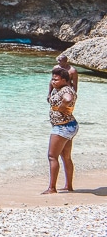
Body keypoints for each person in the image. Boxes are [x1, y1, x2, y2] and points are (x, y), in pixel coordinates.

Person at [43, 65, 78, 194]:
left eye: (56, 80)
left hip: (62, 127)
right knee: (66, 156)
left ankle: (52, 188)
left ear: (64, 80)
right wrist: (50, 91)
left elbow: (68, 98)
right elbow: (52, 86)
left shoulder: (66, 90)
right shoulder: (58, 88)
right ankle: (69, 186)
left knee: (52, 156)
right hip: (69, 125)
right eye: (52, 79)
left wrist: (63, 106)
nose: (53, 81)